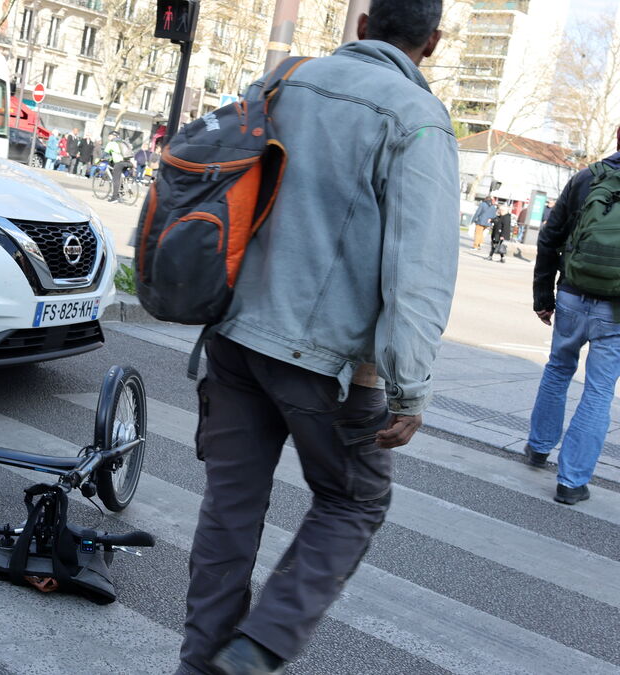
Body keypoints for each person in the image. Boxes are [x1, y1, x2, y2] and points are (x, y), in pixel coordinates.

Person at [179, 2, 457, 674]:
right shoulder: (418, 120)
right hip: (330, 367)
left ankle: (198, 663)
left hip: (236, 339)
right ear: (434, 43)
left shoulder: (282, 83)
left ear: (361, 26)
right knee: (354, 498)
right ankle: (257, 645)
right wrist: (409, 385)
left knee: (229, 512)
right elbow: (418, 266)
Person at [524, 128, 620, 506]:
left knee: (558, 369)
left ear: (616, 136)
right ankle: (571, 482)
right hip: (615, 309)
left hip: (571, 294)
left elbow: (550, 237)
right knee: (598, 391)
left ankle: (537, 449)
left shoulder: (586, 177)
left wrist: (542, 295)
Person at [103, 131, 132, 202]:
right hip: (128, 162)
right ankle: (120, 193)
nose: (108, 137)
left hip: (119, 163)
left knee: (115, 180)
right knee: (120, 177)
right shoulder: (123, 142)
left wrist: (101, 158)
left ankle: (114, 198)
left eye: (109, 136)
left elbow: (105, 153)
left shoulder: (111, 143)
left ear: (113, 136)